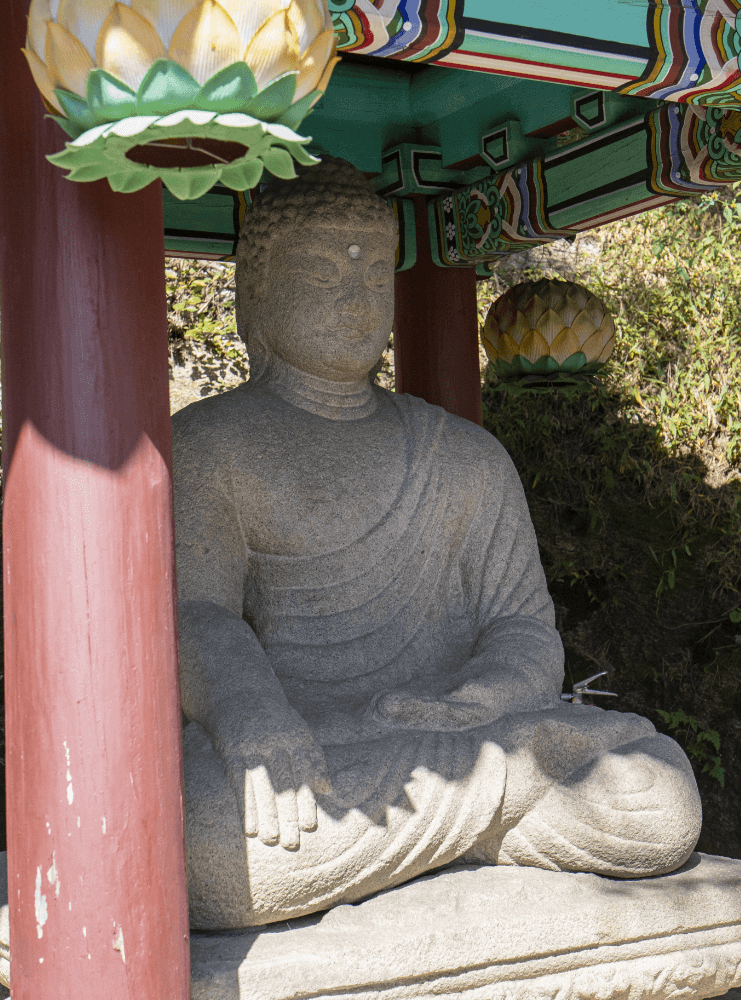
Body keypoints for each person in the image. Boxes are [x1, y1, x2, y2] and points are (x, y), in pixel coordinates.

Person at [172, 159, 702, 930]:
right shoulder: (210, 445)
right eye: (322, 271)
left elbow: (522, 627)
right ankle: (491, 814)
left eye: (377, 271)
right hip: (321, 743)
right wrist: (252, 718)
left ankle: (462, 812)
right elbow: (195, 613)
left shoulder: (464, 453)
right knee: (212, 850)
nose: (358, 298)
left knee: (659, 798)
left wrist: (479, 701)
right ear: (253, 293)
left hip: (467, 732)